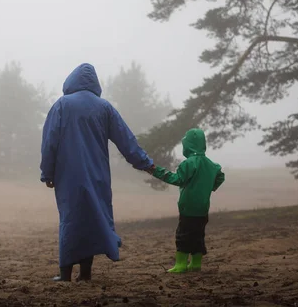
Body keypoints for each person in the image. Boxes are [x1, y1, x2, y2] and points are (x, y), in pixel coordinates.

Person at [40, 63, 154, 282]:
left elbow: (49, 142)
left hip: (68, 175)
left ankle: (65, 274)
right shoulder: (104, 107)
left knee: (70, 218)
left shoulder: (62, 105)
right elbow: (125, 139)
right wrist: (144, 162)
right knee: (92, 218)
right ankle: (85, 273)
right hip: (97, 174)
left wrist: (48, 172)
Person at [147, 128, 225, 273]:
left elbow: (177, 179)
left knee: (183, 235)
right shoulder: (211, 165)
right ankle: (196, 264)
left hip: (188, 208)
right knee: (198, 235)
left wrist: (155, 171)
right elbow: (221, 177)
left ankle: (181, 265)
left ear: (188, 146)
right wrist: (209, 187)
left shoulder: (189, 163)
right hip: (203, 208)